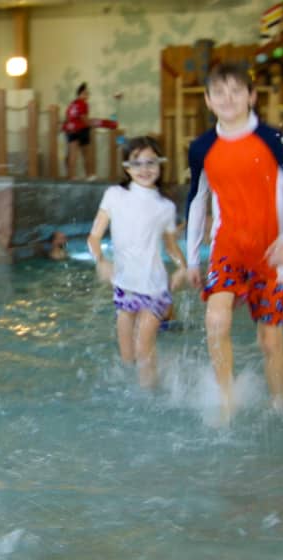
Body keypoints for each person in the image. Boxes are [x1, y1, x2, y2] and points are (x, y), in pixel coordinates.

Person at [183, 62, 283, 421]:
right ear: (208, 100)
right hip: (228, 248)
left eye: (236, 91)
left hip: (272, 253)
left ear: (251, 97)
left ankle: (277, 405)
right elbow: (197, 200)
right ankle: (227, 400)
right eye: (219, 93)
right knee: (216, 320)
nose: (228, 99)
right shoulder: (202, 147)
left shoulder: (270, 140)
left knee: (269, 340)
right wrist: (193, 259)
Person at [87, 136, 186, 388]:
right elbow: (94, 237)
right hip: (124, 287)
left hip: (154, 287)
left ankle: (150, 402)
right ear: (127, 167)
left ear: (161, 164)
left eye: (151, 162)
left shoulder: (165, 207)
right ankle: (157, 380)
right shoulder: (114, 195)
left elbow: (171, 246)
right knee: (128, 357)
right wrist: (100, 260)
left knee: (143, 349)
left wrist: (182, 268)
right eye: (137, 163)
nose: (145, 169)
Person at [63, 83, 92, 180]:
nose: (87, 95)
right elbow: (83, 118)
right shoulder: (83, 104)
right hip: (81, 130)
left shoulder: (72, 104)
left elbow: (67, 117)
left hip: (70, 129)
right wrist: (91, 124)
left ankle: (71, 176)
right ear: (81, 93)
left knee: (72, 154)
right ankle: (89, 175)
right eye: (86, 93)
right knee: (86, 154)